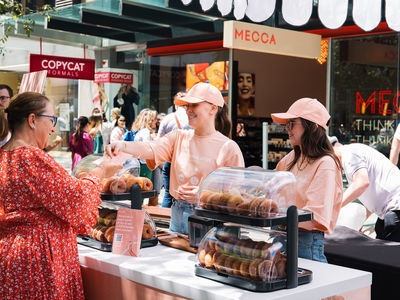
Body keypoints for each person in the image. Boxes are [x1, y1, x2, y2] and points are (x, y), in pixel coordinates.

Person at [0, 91, 113, 298]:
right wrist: (100, 171)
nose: (53, 128)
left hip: (13, 254)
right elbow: (76, 200)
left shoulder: (5, 155)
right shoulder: (30, 157)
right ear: (32, 120)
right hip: (36, 257)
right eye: (51, 120)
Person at [106, 83, 244, 234]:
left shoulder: (229, 147)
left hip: (210, 218)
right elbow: (151, 148)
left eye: (194, 105)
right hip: (177, 212)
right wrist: (122, 146)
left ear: (213, 108)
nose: (188, 110)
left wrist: (203, 196)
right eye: (187, 105)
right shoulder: (178, 137)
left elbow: (235, 197)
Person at [271, 97, 343, 263]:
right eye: (286, 124)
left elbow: (315, 217)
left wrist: (275, 214)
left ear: (313, 127)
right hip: (280, 236)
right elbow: (271, 187)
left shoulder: (326, 163)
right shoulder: (292, 157)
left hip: (304, 244)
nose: (287, 129)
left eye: (292, 123)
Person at [330, 136, 400, 242]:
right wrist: (358, 224)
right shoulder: (352, 155)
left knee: (387, 254)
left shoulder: (349, 154)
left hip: (395, 207)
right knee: (380, 247)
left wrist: (332, 208)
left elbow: (361, 183)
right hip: (390, 208)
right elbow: (371, 199)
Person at [158, 92, 193, 208]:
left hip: (170, 159)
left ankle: (165, 222)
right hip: (188, 161)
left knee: (168, 194)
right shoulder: (192, 119)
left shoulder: (167, 119)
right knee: (186, 196)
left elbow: (159, 142)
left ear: (175, 104)